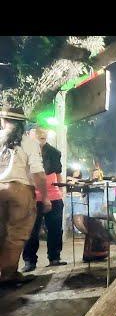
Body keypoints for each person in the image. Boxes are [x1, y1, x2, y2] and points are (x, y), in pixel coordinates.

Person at [0, 107, 50, 287]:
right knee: (16, 234)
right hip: (20, 191)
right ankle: (8, 274)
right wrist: (44, 198)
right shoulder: (28, 142)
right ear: (22, 123)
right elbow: (38, 173)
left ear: (4, 121)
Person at [21, 127, 67, 271]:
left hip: (53, 196)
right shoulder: (23, 152)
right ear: (30, 136)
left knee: (55, 229)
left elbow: (58, 173)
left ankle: (54, 257)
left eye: (44, 135)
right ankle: (29, 261)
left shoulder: (54, 152)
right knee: (30, 230)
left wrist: (61, 190)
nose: (42, 136)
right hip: (32, 197)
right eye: (38, 134)